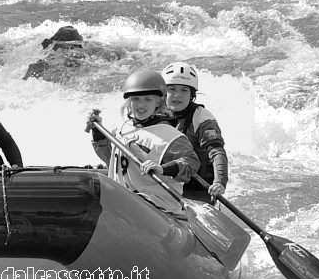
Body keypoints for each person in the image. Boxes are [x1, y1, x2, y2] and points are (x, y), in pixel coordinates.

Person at [84, 69, 199, 215]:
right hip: (125, 199)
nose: (141, 104)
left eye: (147, 99)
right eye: (135, 99)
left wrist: (162, 169)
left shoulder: (170, 137)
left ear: (158, 102)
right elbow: (109, 159)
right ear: (128, 102)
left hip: (160, 206)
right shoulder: (122, 128)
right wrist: (97, 130)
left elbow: (191, 163)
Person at [161, 62, 228, 203]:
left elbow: (217, 152)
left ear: (192, 95)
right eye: (172, 89)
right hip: (162, 181)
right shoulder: (154, 113)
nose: (177, 95)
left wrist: (219, 182)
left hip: (196, 188)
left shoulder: (202, 118)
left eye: (184, 90)